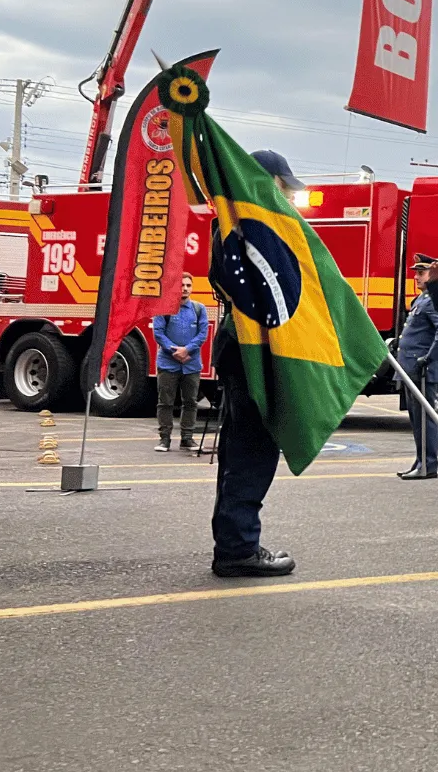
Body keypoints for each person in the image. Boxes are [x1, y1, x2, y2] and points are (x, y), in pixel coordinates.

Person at [209, 148, 312, 577]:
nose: (290, 197)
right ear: (267, 183)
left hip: (239, 349)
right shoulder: (254, 229)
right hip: (254, 352)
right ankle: (238, 548)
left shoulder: (231, 225)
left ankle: (233, 541)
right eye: (285, 187)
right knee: (251, 450)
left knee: (239, 451)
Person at [396, 253, 438, 480]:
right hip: (411, 368)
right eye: (416, 273)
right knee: (416, 418)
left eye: (421, 273)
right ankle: (421, 461)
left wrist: (429, 359)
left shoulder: (431, 302)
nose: (416, 277)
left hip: (422, 370)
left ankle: (428, 464)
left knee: (425, 417)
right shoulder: (420, 300)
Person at [152, 273, 210, 453]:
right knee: (165, 402)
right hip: (168, 364)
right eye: (181, 285)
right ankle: (164, 439)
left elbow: (203, 333)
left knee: (191, 402)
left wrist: (187, 350)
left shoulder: (199, 309)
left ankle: (187, 438)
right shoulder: (164, 309)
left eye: (188, 285)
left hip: (191, 364)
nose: (185, 288)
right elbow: (158, 333)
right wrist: (174, 351)